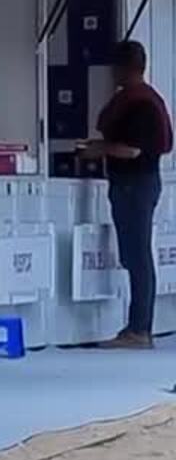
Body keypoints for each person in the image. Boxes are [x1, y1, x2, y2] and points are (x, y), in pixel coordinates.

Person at [83, 40, 172, 349]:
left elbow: (133, 149)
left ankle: (139, 329)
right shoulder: (141, 100)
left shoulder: (141, 104)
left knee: (138, 256)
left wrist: (99, 149)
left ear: (122, 68)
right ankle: (138, 327)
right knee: (135, 255)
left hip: (136, 185)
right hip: (132, 184)